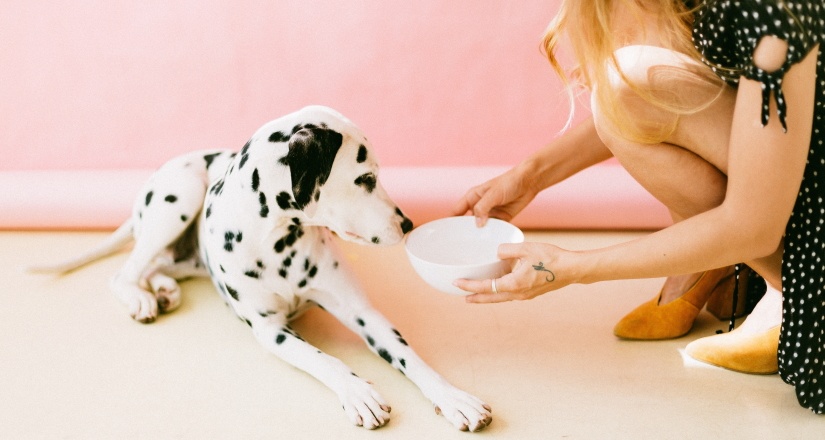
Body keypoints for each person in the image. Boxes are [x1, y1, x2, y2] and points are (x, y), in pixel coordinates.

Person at [453, 0, 824, 414]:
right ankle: (725, 268)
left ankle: (791, 292)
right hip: (787, 162)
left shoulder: (774, 11)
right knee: (627, 88)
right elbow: (642, 107)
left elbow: (753, 226)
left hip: (791, 211)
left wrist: (571, 267)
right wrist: (531, 175)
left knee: (629, 78)